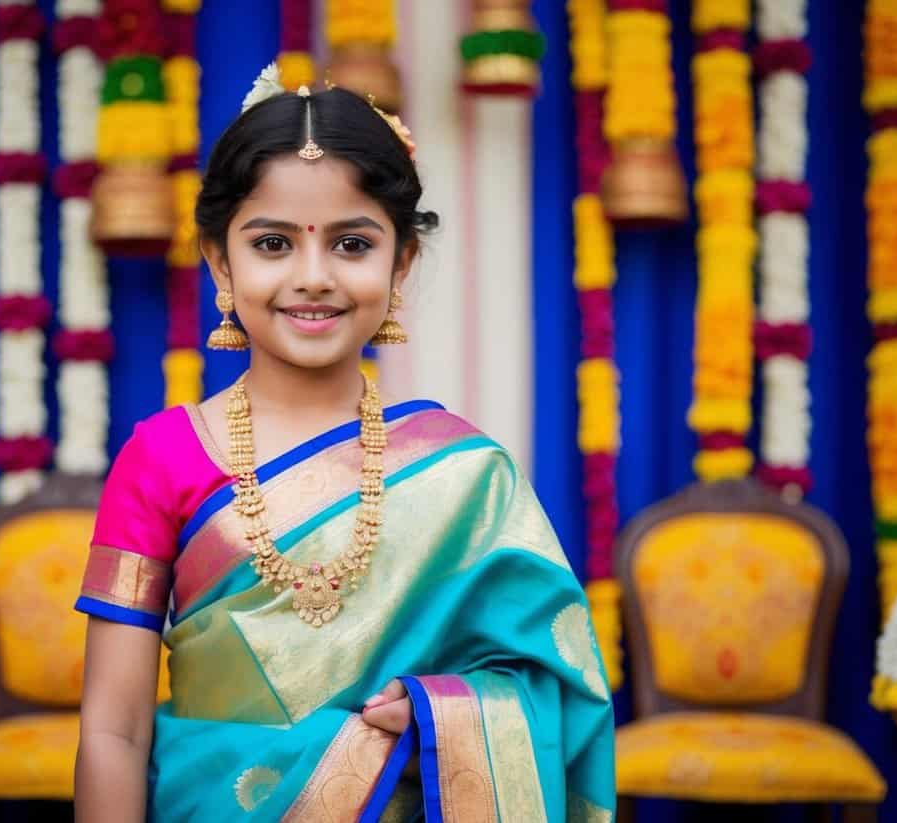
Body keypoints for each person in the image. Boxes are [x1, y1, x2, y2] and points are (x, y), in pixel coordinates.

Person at [73, 64, 615, 822]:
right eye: (273, 243)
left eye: (352, 243)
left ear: (401, 263)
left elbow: (553, 686)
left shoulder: (465, 473)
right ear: (220, 261)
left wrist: (440, 719)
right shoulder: (163, 457)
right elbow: (114, 728)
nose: (314, 275)